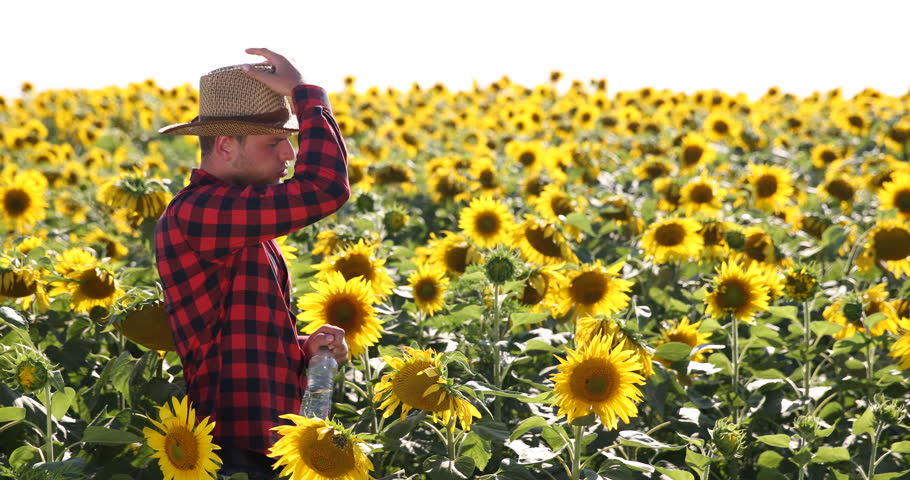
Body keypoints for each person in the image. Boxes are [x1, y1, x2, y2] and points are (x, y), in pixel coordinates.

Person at [155, 48, 351, 478]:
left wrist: (302, 347)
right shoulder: (200, 211)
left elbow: (236, 337)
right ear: (225, 145)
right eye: (275, 141)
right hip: (231, 450)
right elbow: (325, 187)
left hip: (265, 441)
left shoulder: (237, 219)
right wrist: (306, 93)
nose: (289, 154)